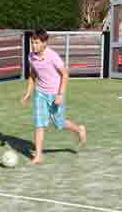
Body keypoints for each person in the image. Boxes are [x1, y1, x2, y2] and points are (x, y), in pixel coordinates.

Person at [21, 29, 87, 164]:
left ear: (45, 43)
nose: (34, 45)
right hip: (40, 94)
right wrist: (28, 93)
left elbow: (65, 74)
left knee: (59, 123)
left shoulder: (53, 56)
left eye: (36, 43)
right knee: (39, 124)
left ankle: (79, 129)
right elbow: (33, 75)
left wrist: (60, 95)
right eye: (32, 42)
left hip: (55, 93)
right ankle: (38, 156)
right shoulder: (31, 56)